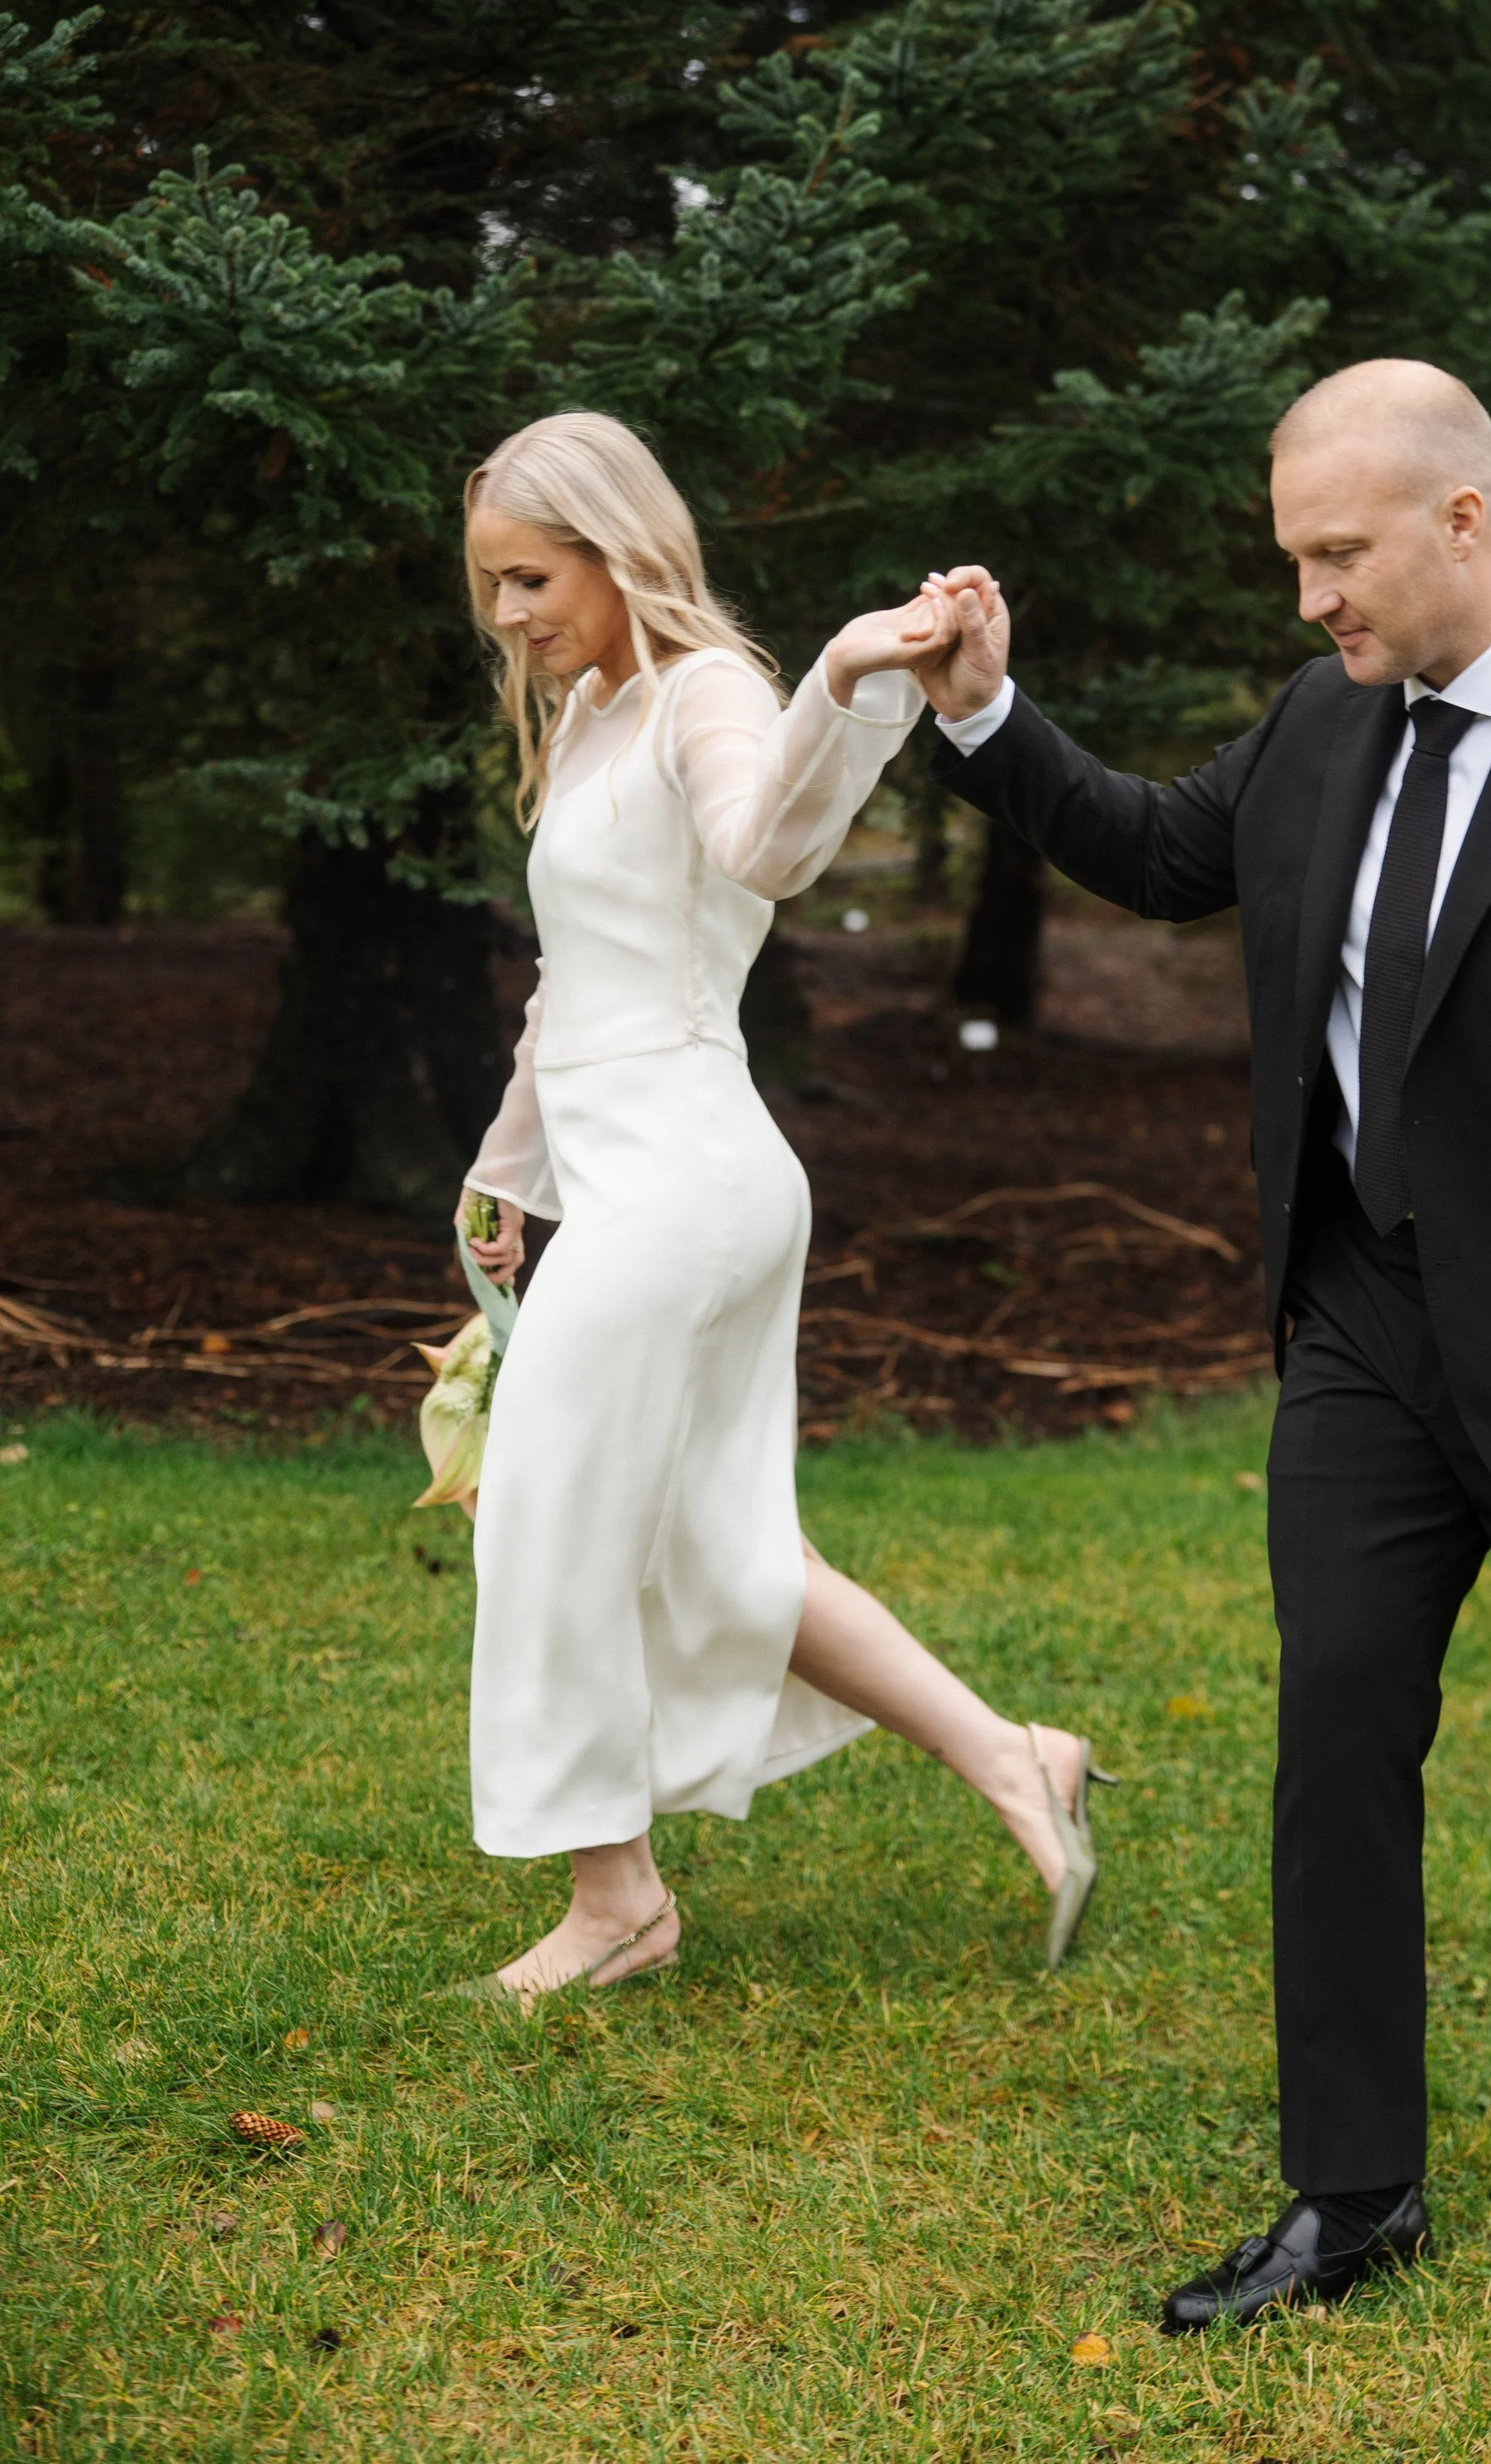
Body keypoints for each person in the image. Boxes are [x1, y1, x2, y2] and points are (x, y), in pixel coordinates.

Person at [913, 359, 1491, 2332]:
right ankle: (1351, 2201)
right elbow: (1166, 853)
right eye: (1290, 561)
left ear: (1461, 523)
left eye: (1335, 556)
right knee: (1337, 1720)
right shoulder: (1320, 719)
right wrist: (981, 710)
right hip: (1360, 1319)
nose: (1308, 602)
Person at [452, 409, 1110, 2003]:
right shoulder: (597, 714)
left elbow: (768, 847)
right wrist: (502, 1168)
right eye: (489, 587)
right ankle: (1020, 1755)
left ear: (618, 550)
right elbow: (570, 987)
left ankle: (617, 1900)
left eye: (531, 577)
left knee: (541, 1510)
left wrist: (838, 674)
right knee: (714, 1545)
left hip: (687, 1174)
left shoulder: (707, 693)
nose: (510, 618)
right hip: (651, 1173)